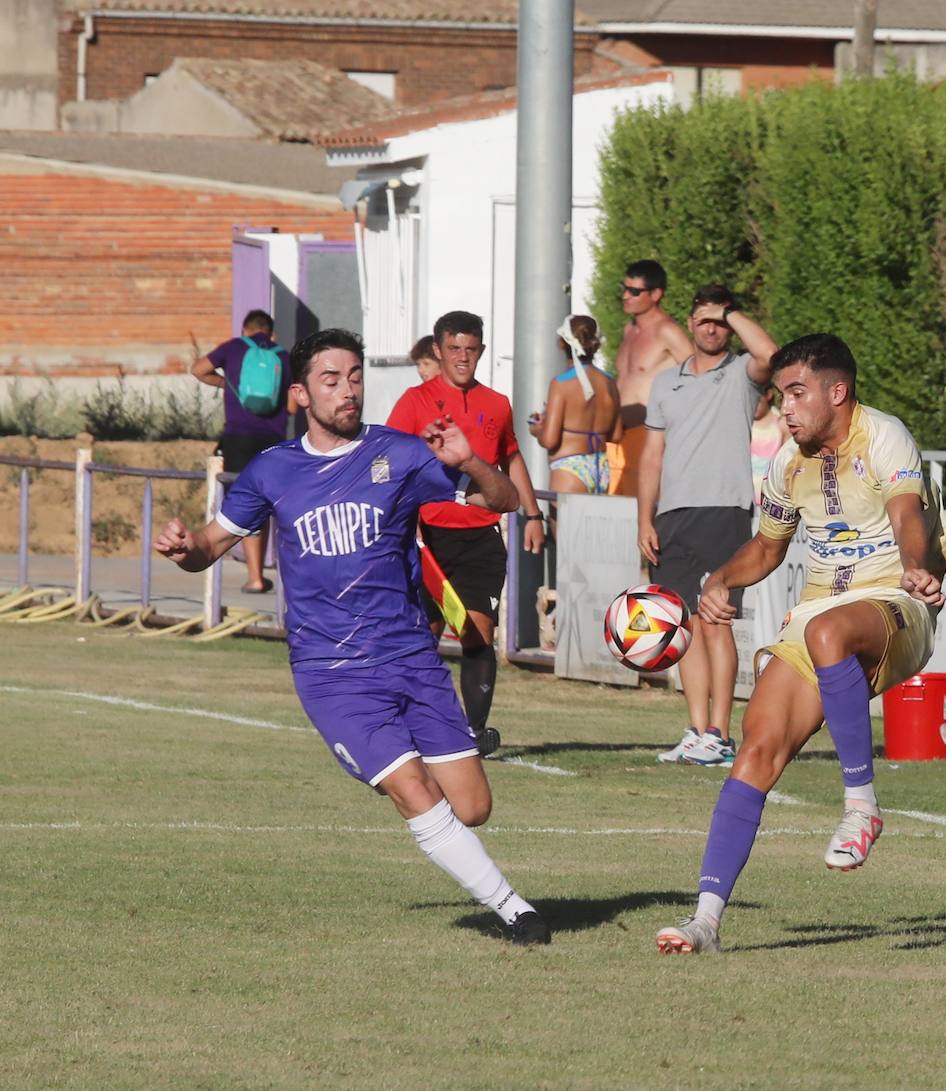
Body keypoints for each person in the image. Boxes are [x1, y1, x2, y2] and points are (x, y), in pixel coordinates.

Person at [154, 328, 549, 945]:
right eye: (331, 380)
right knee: (411, 788)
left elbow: (499, 502)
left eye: (355, 377)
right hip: (332, 672)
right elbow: (209, 546)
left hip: (411, 657)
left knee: (471, 808)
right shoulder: (273, 470)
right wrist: (184, 550)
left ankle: (446, 827)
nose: (348, 391)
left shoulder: (403, 454)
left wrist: (470, 460)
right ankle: (515, 911)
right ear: (300, 394)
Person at [655, 333, 946, 955]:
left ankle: (861, 806)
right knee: (755, 751)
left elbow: (905, 517)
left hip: (896, 602)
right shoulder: (788, 462)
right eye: (778, 395)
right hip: (820, 612)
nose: (783, 408)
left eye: (795, 393)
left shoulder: (883, 435)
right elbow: (766, 547)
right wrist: (721, 578)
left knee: (825, 631)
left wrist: (918, 567)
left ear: (837, 392)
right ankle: (705, 921)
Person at [386, 311, 546, 757]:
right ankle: (404, 726)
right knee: (422, 636)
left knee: (478, 633)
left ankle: (473, 733)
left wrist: (533, 515)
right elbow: (388, 463)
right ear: (437, 351)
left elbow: (511, 458)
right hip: (425, 538)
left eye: (470, 349)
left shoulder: (496, 403)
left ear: (481, 351)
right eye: (454, 348)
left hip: (480, 538)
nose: (462, 357)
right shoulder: (414, 401)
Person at [639, 285, 776, 767]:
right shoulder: (665, 383)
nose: (711, 328)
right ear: (691, 323)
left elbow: (771, 354)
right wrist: (645, 518)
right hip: (673, 517)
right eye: (704, 320)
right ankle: (696, 730)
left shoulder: (742, 373)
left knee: (717, 624)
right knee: (684, 626)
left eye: (720, 321)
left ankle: (720, 732)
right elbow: (651, 455)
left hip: (725, 513)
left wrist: (733, 312)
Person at [191, 308, 290, 594]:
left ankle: (255, 577)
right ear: (271, 333)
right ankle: (271, 570)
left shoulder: (233, 348)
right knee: (269, 503)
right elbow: (294, 405)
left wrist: (225, 382)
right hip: (273, 437)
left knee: (245, 501)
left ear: (245, 330)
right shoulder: (283, 355)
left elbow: (197, 369)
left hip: (238, 437)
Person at [608, 260, 692, 498]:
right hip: (616, 439)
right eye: (624, 288)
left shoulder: (667, 332)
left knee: (641, 520)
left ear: (656, 294)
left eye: (634, 291)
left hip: (648, 439)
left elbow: (700, 378)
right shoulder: (629, 330)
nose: (626, 296)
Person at [528, 315, 621, 495]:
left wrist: (537, 429)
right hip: (601, 468)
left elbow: (550, 440)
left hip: (569, 468)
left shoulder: (561, 384)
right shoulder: (610, 382)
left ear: (562, 343)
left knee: (563, 524)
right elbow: (616, 436)